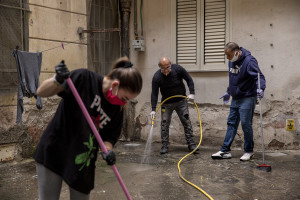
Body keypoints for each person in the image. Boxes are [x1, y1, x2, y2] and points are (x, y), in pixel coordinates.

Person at [34, 57, 142, 199]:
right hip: (55, 150)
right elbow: (41, 92)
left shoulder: (117, 109)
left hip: (83, 161)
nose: (124, 103)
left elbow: (109, 137)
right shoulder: (83, 79)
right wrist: (57, 79)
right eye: (125, 98)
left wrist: (108, 151)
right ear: (115, 85)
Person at [211, 42, 266, 161]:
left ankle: (249, 151)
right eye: (226, 55)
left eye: (229, 55)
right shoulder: (231, 61)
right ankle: (225, 151)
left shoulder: (249, 61)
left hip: (247, 97)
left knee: (246, 124)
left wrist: (261, 88)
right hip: (235, 97)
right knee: (231, 123)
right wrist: (228, 91)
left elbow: (259, 76)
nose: (227, 58)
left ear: (237, 52)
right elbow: (233, 78)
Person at [150, 57, 198, 155]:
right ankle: (164, 145)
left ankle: (191, 144)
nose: (166, 70)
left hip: (181, 102)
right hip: (166, 104)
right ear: (159, 67)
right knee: (164, 124)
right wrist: (153, 109)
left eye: (168, 67)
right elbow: (154, 93)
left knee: (186, 121)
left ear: (170, 64)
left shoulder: (178, 69)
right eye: (163, 68)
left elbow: (189, 79)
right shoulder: (157, 77)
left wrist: (192, 93)